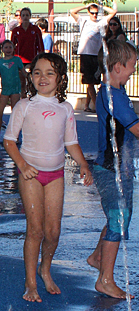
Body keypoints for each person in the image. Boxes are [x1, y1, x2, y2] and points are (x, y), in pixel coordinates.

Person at [2, 52, 93, 302]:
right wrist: (22, 164)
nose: (43, 77)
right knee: (35, 231)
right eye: (37, 72)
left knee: (53, 231)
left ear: (60, 79)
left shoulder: (65, 109)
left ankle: (45, 268)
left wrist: (83, 164)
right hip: (30, 174)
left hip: (55, 175)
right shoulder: (24, 105)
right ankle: (30, 282)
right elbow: (9, 140)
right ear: (31, 77)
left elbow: (71, 142)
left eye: (50, 73)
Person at [87, 39, 137, 300]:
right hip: (111, 169)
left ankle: (98, 257)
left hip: (117, 169)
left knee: (117, 217)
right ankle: (105, 280)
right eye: (131, 66)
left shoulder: (114, 90)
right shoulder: (113, 95)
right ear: (117, 66)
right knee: (119, 220)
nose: (133, 71)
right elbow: (136, 129)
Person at [71, 3, 117, 112]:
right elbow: (72, 11)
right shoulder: (84, 21)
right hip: (86, 54)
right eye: (92, 13)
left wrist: (100, 6)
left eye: (96, 13)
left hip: (96, 55)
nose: (95, 15)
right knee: (89, 81)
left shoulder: (101, 22)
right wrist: (86, 5)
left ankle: (87, 105)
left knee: (93, 81)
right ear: (88, 13)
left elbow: (113, 12)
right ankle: (97, 106)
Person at [0, 40, 26, 143]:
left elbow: (24, 73)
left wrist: (27, 84)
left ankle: (16, 135)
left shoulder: (17, 60)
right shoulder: (0, 62)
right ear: (2, 49)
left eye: (10, 47)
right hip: (5, 90)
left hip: (15, 89)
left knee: (15, 113)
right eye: (6, 48)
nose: (8, 50)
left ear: (13, 48)